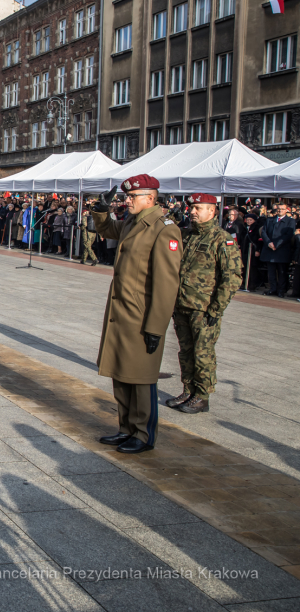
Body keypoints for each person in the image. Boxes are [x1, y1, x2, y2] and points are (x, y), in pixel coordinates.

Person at [91, 175, 182, 454]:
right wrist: (101, 209)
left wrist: (156, 326)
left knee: (141, 379)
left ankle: (143, 434)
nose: (127, 200)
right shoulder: (133, 221)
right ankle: (126, 428)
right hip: (122, 313)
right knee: (121, 372)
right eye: (127, 196)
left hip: (142, 316)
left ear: (150, 199)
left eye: (132, 197)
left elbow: (167, 284)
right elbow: (107, 229)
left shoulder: (163, 229)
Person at [166, 193, 241, 414]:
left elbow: (232, 276)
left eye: (198, 208)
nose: (193, 212)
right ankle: (188, 390)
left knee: (203, 353)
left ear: (212, 211)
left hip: (204, 308)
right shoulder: (188, 235)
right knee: (185, 351)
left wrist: (217, 308)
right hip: (182, 304)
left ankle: (202, 396)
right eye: (192, 208)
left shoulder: (222, 238)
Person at [261, 203, 295, 298]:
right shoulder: (270, 220)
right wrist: (268, 243)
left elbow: (288, 235)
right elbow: (264, 232)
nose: (279, 210)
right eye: (278, 209)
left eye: (282, 209)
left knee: (282, 272)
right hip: (269, 249)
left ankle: (281, 290)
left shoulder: (290, 221)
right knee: (271, 272)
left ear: (286, 210)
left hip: (282, 250)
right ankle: (273, 289)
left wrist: (276, 244)